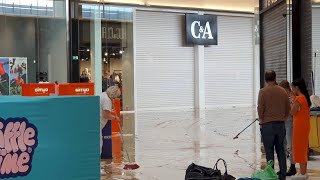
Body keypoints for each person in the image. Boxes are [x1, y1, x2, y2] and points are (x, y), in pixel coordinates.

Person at [258, 71, 291, 180]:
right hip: (280, 125)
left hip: (267, 126)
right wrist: (284, 118)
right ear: (275, 78)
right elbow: (288, 108)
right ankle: (282, 175)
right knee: (281, 150)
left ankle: (271, 174)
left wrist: (261, 120)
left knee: (269, 151)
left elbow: (260, 108)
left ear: (266, 79)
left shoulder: (263, 91)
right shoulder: (282, 91)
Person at [290, 79, 311, 179]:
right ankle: (303, 172)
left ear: (296, 88)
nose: (291, 90)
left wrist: (291, 101)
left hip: (300, 127)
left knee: (299, 149)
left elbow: (292, 112)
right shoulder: (304, 98)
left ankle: (303, 174)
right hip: (304, 126)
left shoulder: (299, 98)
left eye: (292, 87)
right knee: (302, 148)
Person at [100, 86, 121, 176]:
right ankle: (97, 169)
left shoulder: (103, 95)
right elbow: (106, 115)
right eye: (115, 97)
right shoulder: (107, 100)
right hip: (97, 124)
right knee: (98, 146)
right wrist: (115, 118)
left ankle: (97, 167)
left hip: (94, 123)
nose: (115, 98)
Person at [279, 80, 296, 176]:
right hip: (283, 123)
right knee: (284, 145)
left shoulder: (292, 97)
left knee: (290, 145)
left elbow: (292, 111)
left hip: (290, 124)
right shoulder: (284, 97)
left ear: (286, 89)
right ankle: (284, 167)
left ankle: (292, 167)